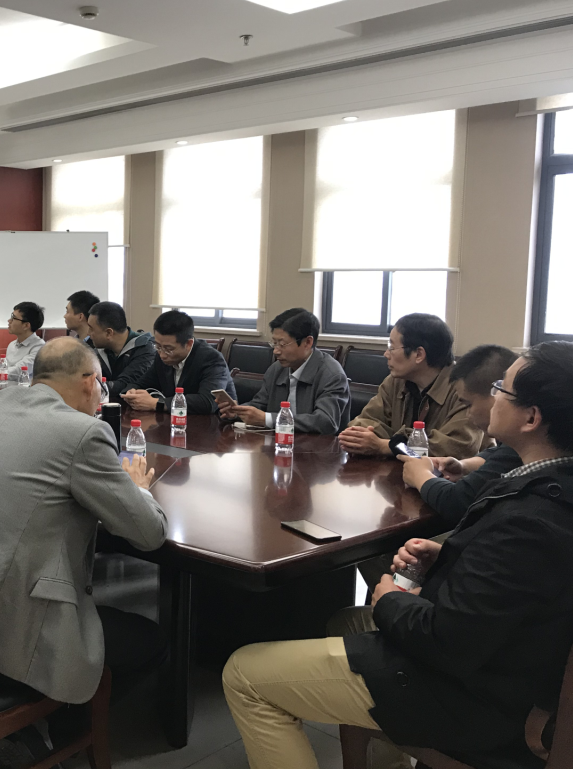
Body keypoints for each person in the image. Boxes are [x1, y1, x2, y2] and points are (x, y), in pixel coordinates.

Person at [222, 341, 573, 769]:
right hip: (498, 663)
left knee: (243, 673)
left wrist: (389, 599)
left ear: (531, 418)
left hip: (471, 696)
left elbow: (447, 641)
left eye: (503, 388)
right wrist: (448, 558)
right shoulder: (544, 484)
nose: (494, 393)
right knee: (345, 622)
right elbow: (513, 584)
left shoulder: (533, 519)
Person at [0, 337, 168, 713]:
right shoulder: (83, 432)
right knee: (152, 640)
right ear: (89, 382)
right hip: (10, 633)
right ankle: (66, 728)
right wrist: (139, 488)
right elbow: (149, 534)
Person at [399, 344, 521, 526]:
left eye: (468, 405)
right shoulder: (516, 442)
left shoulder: (523, 446)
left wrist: (420, 475)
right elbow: (499, 454)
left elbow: (456, 502)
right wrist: (463, 466)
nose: (468, 414)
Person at [339, 313, 483, 459]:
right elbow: (364, 422)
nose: (386, 354)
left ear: (419, 354)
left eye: (392, 347)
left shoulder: (466, 388)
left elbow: (457, 446)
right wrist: (362, 438)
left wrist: (386, 446)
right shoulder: (395, 381)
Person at [218, 308, 350, 434]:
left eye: (282, 344)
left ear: (308, 342)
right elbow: (260, 404)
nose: (276, 351)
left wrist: (267, 419)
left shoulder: (332, 375)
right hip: (278, 443)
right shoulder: (277, 369)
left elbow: (326, 422)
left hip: (319, 448)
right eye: (274, 343)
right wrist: (237, 412)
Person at [122, 309, 236, 414]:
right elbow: (142, 383)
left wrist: (157, 403)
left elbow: (207, 402)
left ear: (189, 344)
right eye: (158, 346)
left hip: (212, 424)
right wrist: (131, 392)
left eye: (169, 349)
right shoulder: (162, 355)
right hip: (174, 422)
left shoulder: (211, 358)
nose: (162, 355)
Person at [86, 301, 155, 400]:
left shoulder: (145, 349)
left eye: (91, 329)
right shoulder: (98, 349)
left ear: (109, 333)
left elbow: (125, 385)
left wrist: (87, 386)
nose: (88, 333)